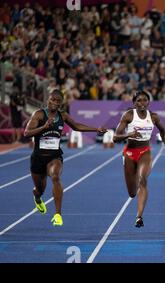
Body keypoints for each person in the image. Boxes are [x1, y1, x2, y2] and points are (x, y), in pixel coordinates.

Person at [24, 89, 107, 226]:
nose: (54, 103)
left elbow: (77, 126)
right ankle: (37, 198)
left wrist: (95, 129)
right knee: (39, 189)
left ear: (61, 103)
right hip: (38, 157)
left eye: (58, 101)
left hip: (54, 156)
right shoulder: (39, 114)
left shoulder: (63, 116)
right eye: (52, 99)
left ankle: (58, 215)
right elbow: (27, 133)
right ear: (48, 100)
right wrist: (44, 127)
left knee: (55, 176)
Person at [113, 90, 165, 228]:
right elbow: (116, 137)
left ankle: (139, 217)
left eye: (145, 100)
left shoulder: (153, 117)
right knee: (132, 193)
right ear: (134, 103)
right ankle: (136, 200)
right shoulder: (128, 115)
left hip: (144, 152)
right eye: (138, 101)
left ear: (148, 102)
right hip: (129, 153)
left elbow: (163, 131)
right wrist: (130, 134)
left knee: (143, 180)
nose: (142, 103)